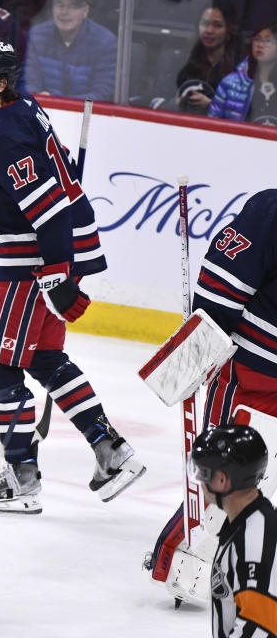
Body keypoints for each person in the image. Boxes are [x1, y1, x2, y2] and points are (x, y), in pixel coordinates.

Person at [0, 40, 146, 514]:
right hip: (52, 253)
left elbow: (47, 209)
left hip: (34, 262)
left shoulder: (0, 133)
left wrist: (57, 275)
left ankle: (22, 476)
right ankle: (112, 450)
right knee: (44, 357)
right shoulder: (23, 107)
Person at [146, 189, 277, 604]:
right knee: (242, 472)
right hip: (258, 367)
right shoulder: (271, 210)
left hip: (256, 367)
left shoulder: (270, 208)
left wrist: (195, 352)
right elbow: (224, 284)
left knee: (231, 471)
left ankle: (205, 564)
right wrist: (195, 353)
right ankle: (198, 563)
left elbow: (222, 284)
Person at [189, 425, 277, 638]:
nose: (199, 479)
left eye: (203, 472)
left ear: (221, 480)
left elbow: (260, 627)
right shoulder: (245, 522)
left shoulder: (254, 541)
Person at [22, 0, 117, 101]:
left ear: (85, 11)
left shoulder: (105, 42)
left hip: (86, 114)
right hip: (42, 110)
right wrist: (39, 97)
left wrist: (56, 102)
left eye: (73, 6)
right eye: (59, 5)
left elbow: (102, 93)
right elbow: (28, 83)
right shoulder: (36, 36)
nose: (64, 12)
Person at [174, 0, 244, 115]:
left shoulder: (241, 67)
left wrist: (212, 104)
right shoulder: (185, 57)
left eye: (217, 25)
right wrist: (179, 102)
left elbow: (244, 112)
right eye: (205, 23)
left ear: (229, 30)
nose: (208, 30)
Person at [210, 22, 277, 125]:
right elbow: (213, 122)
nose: (260, 45)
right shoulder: (230, 83)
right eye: (257, 39)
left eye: (268, 41)